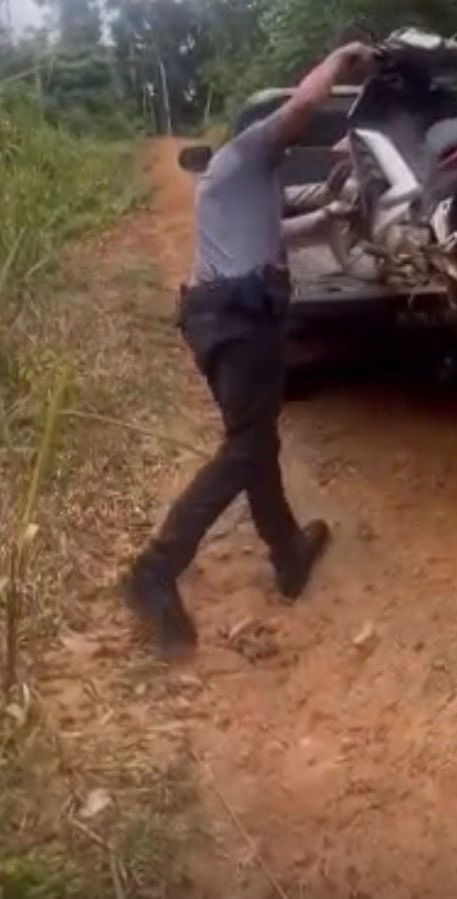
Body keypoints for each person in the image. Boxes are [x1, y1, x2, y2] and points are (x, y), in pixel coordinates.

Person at [121, 42, 373, 658]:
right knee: (246, 447)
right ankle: (155, 567)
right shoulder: (245, 154)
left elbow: (296, 228)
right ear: (259, 136)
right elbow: (306, 101)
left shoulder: (242, 185)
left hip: (221, 319)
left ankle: (287, 550)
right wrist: (340, 60)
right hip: (238, 321)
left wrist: (341, 201)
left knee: (254, 436)